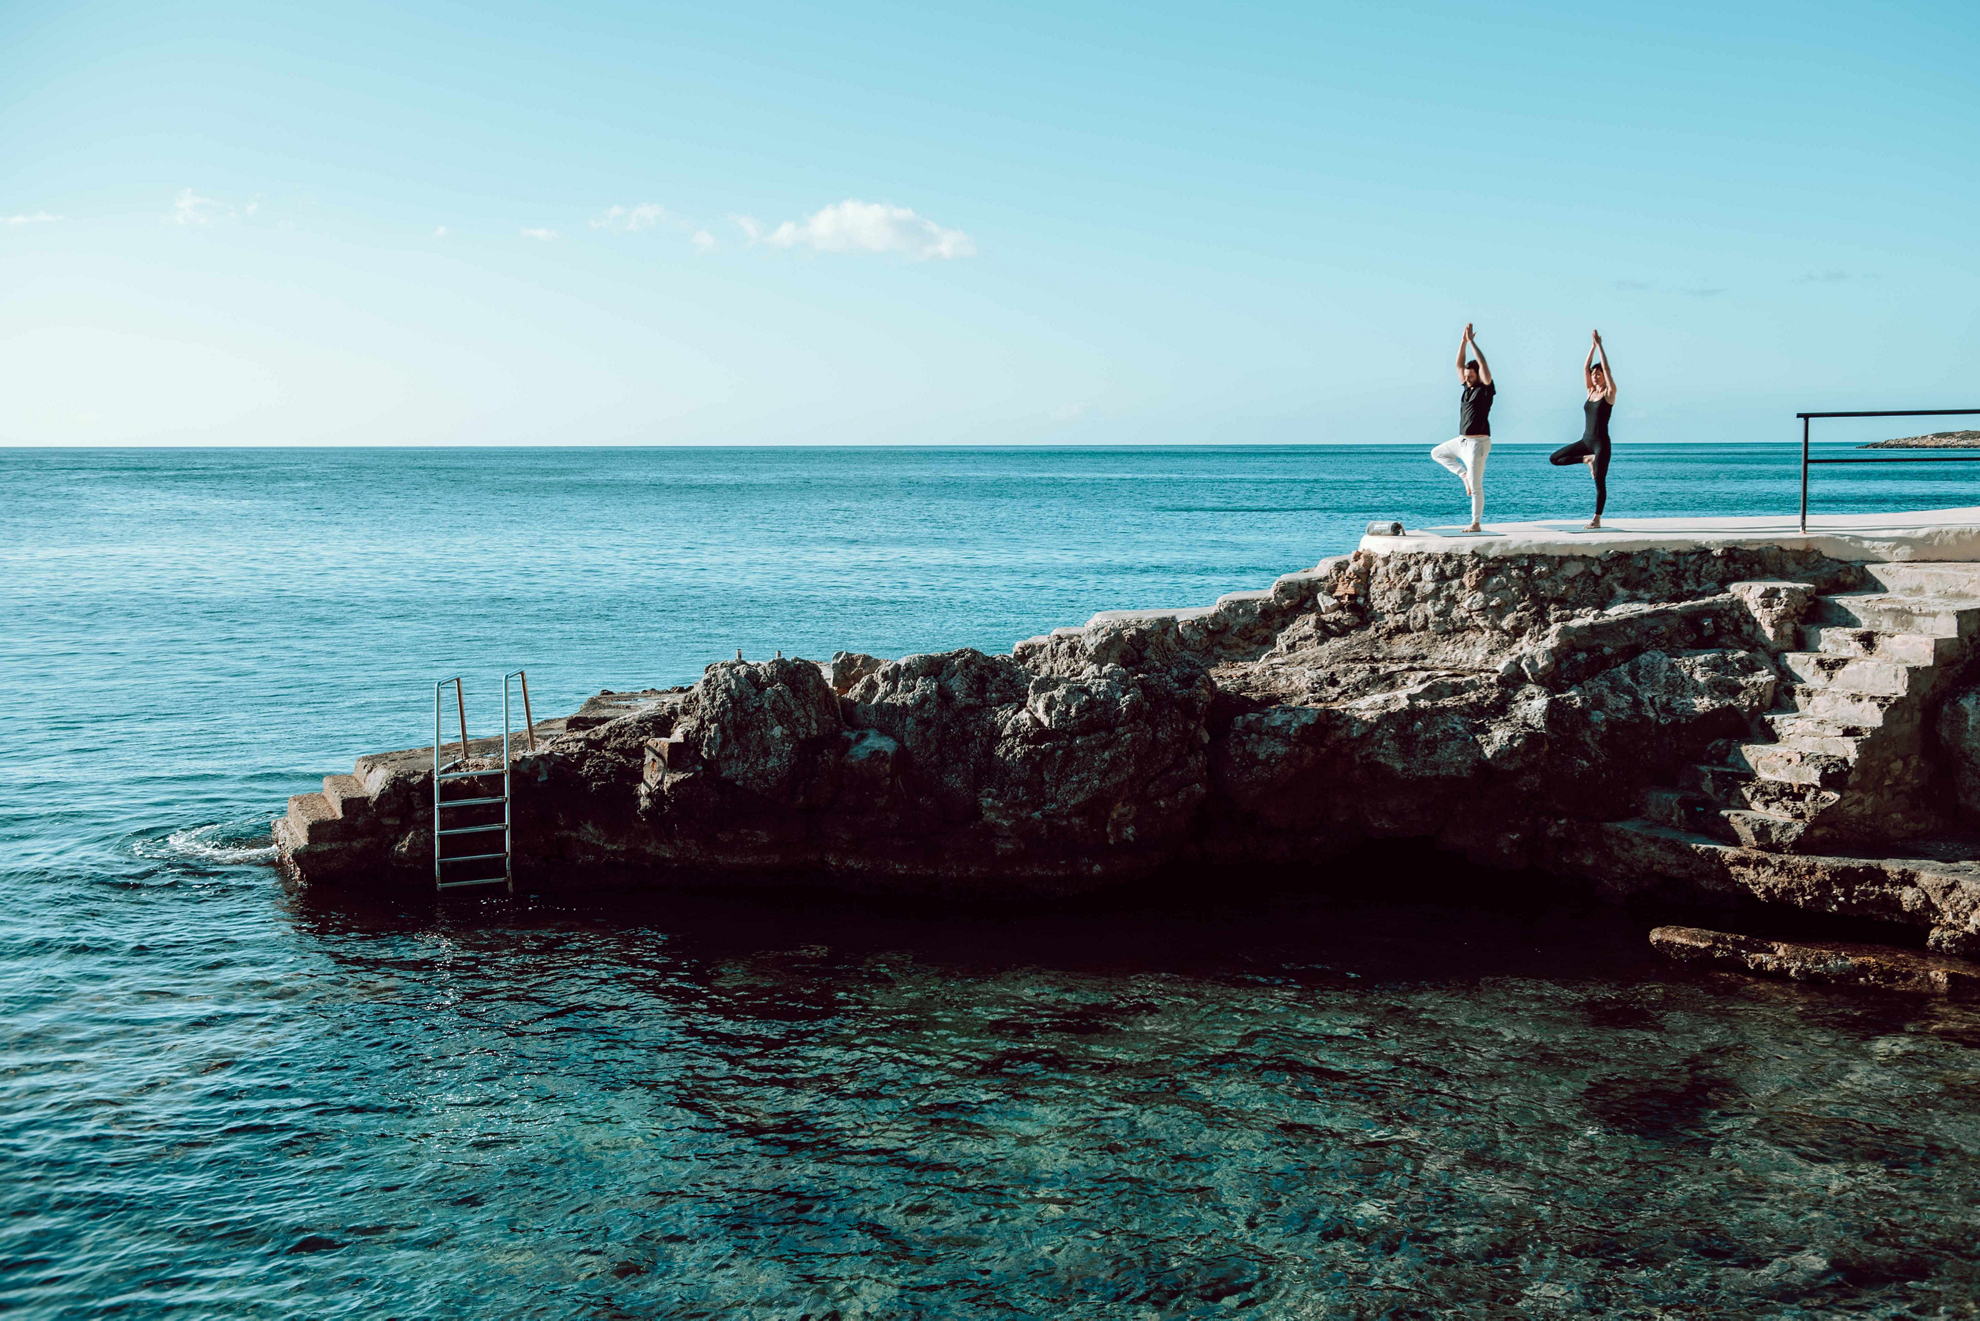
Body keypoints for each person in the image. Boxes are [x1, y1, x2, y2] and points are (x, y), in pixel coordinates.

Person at [1431, 323, 1493, 532]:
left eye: (1471, 375)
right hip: (1462, 441)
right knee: (1437, 453)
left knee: (1476, 487)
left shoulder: (1485, 389)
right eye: (1466, 375)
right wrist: (1462, 341)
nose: (1467, 377)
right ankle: (1463, 475)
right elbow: (1458, 365)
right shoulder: (1466, 387)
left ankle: (1475, 523)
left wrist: (1473, 343)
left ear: (1478, 375)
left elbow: (1483, 364)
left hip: (1478, 444)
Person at [1551, 330, 1616, 529]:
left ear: (1605, 376)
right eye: (1593, 375)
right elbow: (1584, 367)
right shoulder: (1590, 392)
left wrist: (1600, 347)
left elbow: (1606, 366)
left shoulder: (1609, 393)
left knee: (1599, 481)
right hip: (1585, 442)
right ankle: (1586, 459)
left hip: (1600, 444)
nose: (1595, 377)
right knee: (1555, 458)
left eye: (1598, 374)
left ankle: (1596, 518)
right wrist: (1592, 346)